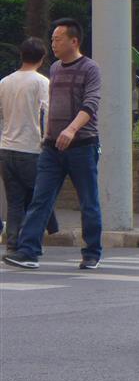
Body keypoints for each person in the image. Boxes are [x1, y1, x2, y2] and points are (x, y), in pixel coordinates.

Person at [3, 19, 102, 270]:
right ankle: (28, 251)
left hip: (83, 146)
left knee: (88, 201)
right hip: (52, 148)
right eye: (52, 39)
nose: (53, 44)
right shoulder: (55, 69)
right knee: (40, 198)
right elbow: (49, 107)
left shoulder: (90, 69)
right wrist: (48, 136)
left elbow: (90, 104)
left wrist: (71, 129)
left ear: (74, 41)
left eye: (58, 39)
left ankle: (92, 252)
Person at [0, 37, 59, 254]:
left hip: (6, 149)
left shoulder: (5, 82)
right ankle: (41, 234)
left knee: (15, 200)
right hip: (31, 149)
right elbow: (47, 115)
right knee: (39, 197)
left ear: (21, 55)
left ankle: (13, 241)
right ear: (42, 59)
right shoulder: (42, 83)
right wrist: (48, 140)